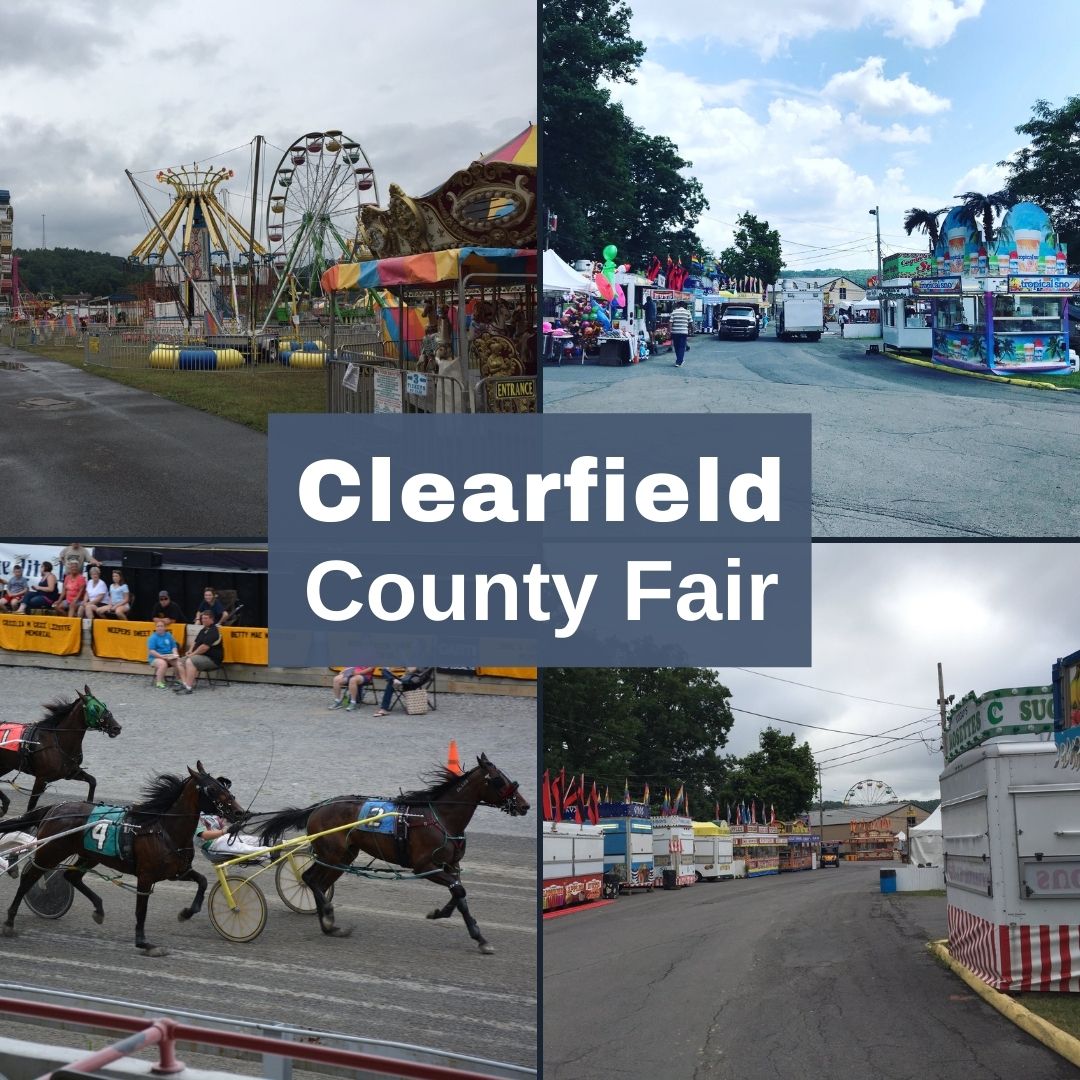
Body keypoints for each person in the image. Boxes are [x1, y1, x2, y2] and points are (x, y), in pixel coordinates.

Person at [195, 778, 266, 862]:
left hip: (225, 838)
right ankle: (271, 853)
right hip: (213, 846)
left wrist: (242, 817)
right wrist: (225, 831)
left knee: (256, 840)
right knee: (247, 849)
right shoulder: (193, 817)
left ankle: (280, 844)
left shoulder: (208, 812)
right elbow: (204, 835)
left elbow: (224, 824)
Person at [173, 610, 223, 694]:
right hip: (201, 656)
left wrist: (192, 654)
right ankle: (185, 684)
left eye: (206, 618)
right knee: (179, 662)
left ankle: (189, 688)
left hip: (212, 659)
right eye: (202, 618)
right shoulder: (203, 630)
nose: (203, 620)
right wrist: (189, 651)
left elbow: (204, 648)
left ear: (212, 619)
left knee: (190, 661)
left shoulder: (213, 631)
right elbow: (195, 642)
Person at [147, 618, 181, 689]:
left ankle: (178, 679)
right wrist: (161, 657)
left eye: (161, 626)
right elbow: (151, 651)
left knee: (179, 662)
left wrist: (175, 654)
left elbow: (174, 646)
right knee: (163, 664)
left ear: (165, 627)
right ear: (155, 627)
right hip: (155, 657)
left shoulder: (168, 635)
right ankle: (159, 682)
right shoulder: (152, 638)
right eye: (158, 626)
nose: (159, 628)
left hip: (168, 656)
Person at [669, 301, 691, 367]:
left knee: (676, 347)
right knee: (682, 347)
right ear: (684, 306)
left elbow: (670, 322)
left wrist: (670, 331)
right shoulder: (687, 312)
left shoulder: (674, 312)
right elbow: (690, 323)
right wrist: (691, 330)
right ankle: (679, 361)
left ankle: (679, 360)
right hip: (684, 332)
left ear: (678, 305)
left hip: (675, 332)